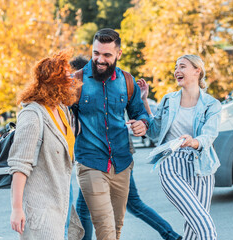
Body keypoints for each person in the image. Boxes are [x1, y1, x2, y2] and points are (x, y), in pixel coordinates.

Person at [70, 55, 182, 240]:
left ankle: (171, 235)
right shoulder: (85, 92)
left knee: (130, 204)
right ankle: (171, 235)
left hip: (110, 158)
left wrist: (141, 99)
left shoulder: (94, 88)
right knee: (87, 207)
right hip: (101, 159)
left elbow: (138, 116)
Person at [74, 28, 149, 240]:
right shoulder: (76, 81)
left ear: (118, 54)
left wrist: (143, 123)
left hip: (122, 164)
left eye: (106, 55)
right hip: (90, 163)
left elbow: (140, 112)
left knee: (115, 230)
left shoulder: (127, 81)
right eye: (96, 53)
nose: (99, 59)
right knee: (105, 230)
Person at [138, 55, 221, 240]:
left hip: (202, 168)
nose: (177, 71)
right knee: (204, 225)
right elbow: (154, 132)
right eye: (176, 67)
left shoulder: (212, 105)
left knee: (194, 227)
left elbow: (209, 135)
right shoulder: (169, 100)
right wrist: (144, 100)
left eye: (182, 66)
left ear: (197, 70)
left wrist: (193, 141)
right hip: (172, 164)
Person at [8, 50, 84, 239]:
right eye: (66, 76)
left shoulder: (62, 110)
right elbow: (19, 165)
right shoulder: (32, 115)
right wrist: (17, 209)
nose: (72, 80)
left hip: (61, 201)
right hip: (40, 208)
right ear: (54, 82)